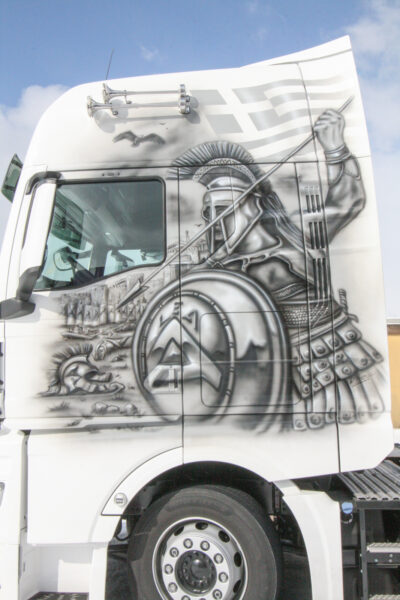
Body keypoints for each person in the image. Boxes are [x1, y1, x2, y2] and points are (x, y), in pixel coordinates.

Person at [169, 110, 384, 429]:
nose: (215, 222)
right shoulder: (217, 268)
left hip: (334, 358)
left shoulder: (297, 237)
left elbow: (347, 201)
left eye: (224, 209)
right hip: (272, 374)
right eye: (209, 212)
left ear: (254, 206)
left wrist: (335, 148)